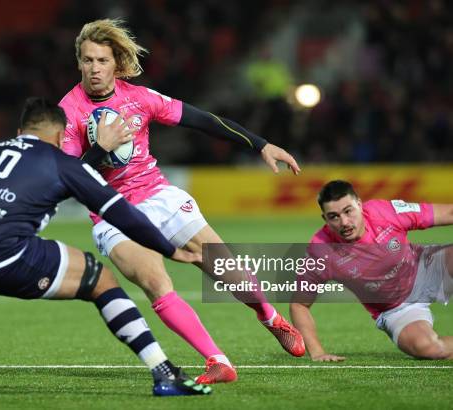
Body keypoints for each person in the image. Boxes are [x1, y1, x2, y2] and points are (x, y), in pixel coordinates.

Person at [59, 19, 305, 384]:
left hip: (158, 195)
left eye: (102, 61)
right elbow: (68, 179)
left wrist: (261, 144)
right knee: (156, 283)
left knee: (226, 271)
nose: (94, 69)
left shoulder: (139, 98)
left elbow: (202, 120)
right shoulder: (69, 111)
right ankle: (217, 361)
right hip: (111, 212)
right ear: (79, 62)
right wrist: (100, 150)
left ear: (117, 63)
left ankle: (269, 316)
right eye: (87, 60)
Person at [0, 97, 213, 397]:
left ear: (21, 131)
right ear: (60, 136)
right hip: (5, 257)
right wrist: (170, 249)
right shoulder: (61, 162)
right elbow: (122, 215)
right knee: (101, 280)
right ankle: (163, 373)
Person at [290, 180, 453, 361]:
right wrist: (317, 352)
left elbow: (448, 212)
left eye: (348, 211)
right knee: (429, 349)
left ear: (359, 204)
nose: (344, 222)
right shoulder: (320, 250)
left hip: (426, 267)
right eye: (334, 216)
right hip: (395, 309)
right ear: (325, 219)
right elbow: (299, 305)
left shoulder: (384, 211)